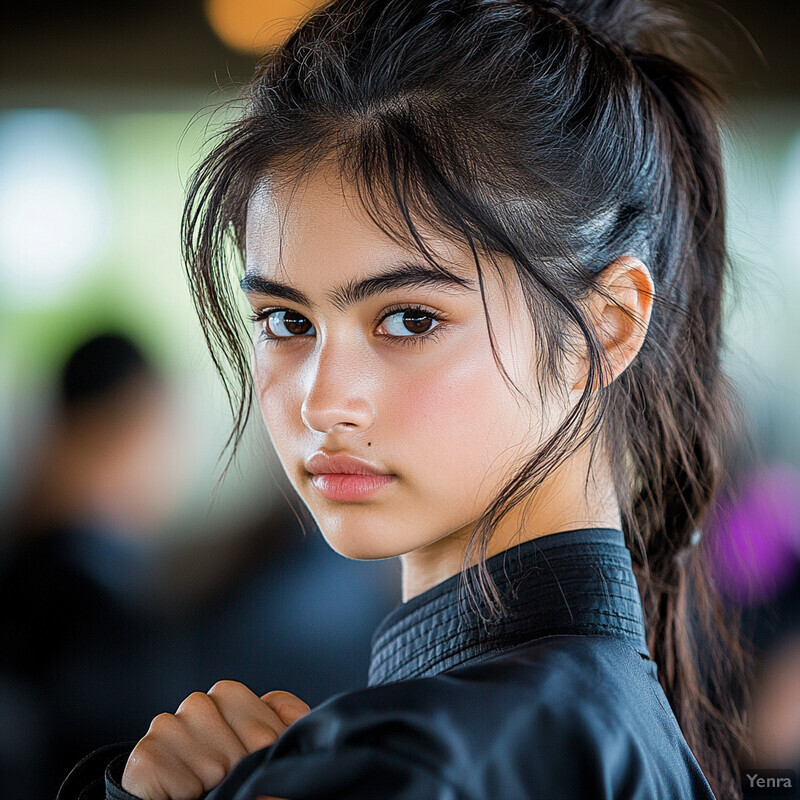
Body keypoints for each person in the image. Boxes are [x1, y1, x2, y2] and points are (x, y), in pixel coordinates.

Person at [56, 0, 755, 797]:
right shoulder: (611, 723)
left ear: (607, 326)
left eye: (409, 319)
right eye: (286, 320)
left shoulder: (421, 764)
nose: (322, 401)